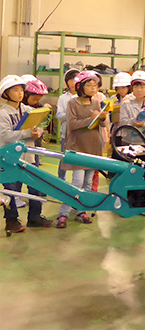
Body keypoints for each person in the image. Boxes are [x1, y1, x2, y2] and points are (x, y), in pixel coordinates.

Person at [56, 71, 108, 228]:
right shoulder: (73, 103)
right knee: (76, 182)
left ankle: (81, 211)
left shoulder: (96, 103)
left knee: (87, 182)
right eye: (89, 85)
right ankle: (63, 213)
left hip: (93, 147)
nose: (93, 88)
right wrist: (92, 119)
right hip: (77, 147)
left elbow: (102, 125)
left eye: (95, 85)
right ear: (80, 87)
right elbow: (72, 124)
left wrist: (103, 119)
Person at [0, 75, 50, 232]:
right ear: (6, 93)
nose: (20, 93)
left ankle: (35, 216)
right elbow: (5, 136)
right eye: (15, 90)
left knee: (35, 186)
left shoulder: (28, 110)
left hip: (28, 156)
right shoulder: (3, 114)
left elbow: (39, 126)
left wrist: (37, 132)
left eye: (22, 90)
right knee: (11, 190)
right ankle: (12, 220)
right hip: (9, 159)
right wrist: (27, 133)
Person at [119, 71, 145, 147]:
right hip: (128, 142)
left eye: (142, 87)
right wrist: (133, 121)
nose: (139, 90)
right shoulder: (126, 103)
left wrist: (144, 124)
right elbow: (122, 122)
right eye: (136, 87)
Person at [56, 68, 80, 180]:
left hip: (81, 135)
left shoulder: (84, 97)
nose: (73, 83)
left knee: (79, 160)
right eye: (70, 80)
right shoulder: (63, 98)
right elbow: (59, 116)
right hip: (66, 134)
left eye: (75, 79)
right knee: (64, 159)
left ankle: (77, 183)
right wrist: (70, 114)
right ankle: (61, 181)